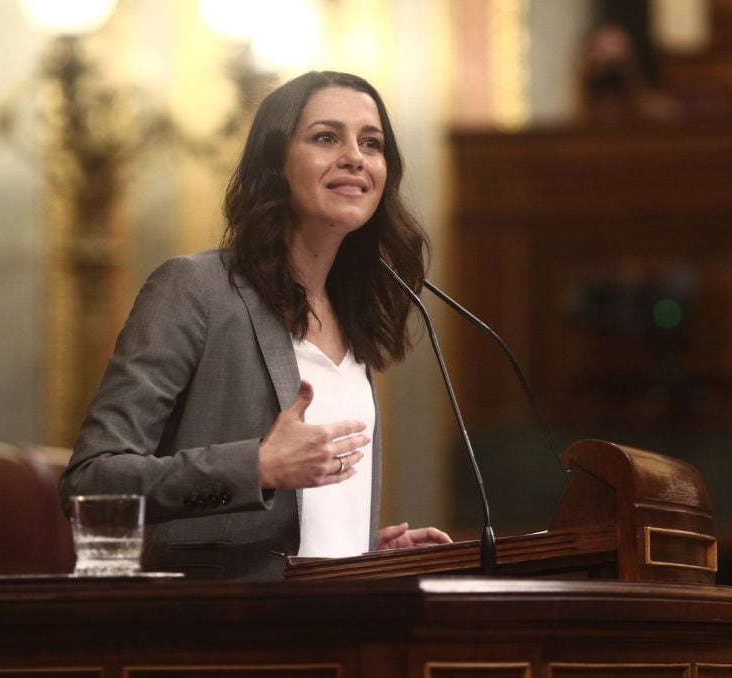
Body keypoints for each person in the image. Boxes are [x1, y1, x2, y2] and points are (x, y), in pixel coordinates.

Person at [59, 70, 452, 580]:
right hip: (224, 634)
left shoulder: (352, 320)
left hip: (339, 632)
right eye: (326, 137)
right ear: (275, 163)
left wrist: (357, 552)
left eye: (371, 142)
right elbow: (91, 482)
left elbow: (291, 530)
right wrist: (258, 467)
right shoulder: (196, 289)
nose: (355, 155)